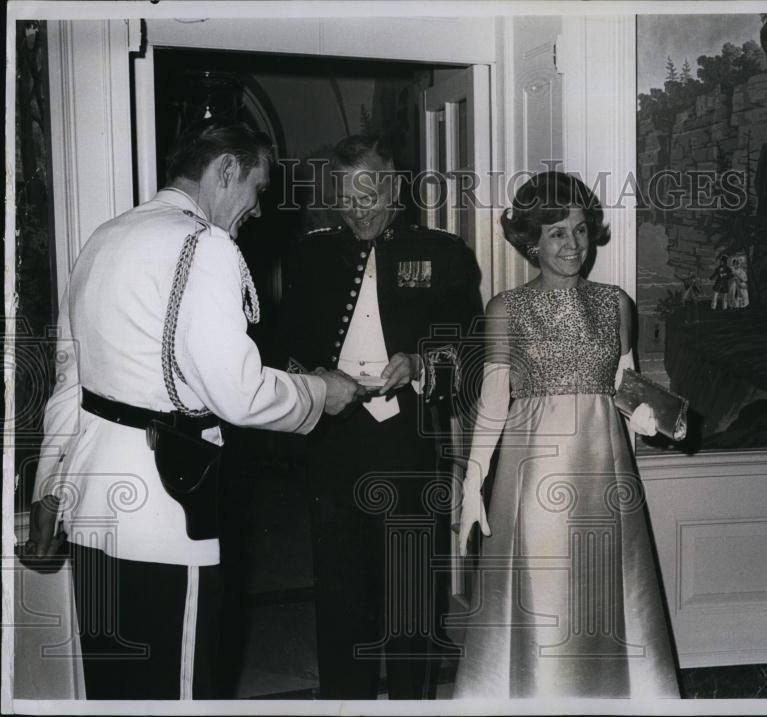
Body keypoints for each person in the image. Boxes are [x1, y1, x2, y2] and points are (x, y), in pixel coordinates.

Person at [21, 120, 366, 700]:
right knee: (177, 691)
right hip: (164, 508)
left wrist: (48, 486)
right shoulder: (205, 244)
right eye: (256, 190)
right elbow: (237, 392)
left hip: (90, 504)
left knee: (116, 688)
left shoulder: (106, 236)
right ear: (226, 169)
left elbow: (69, 382)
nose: (256, 211)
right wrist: (320, 393)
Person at [453, 171, 681, 699]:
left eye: (580, 230)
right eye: (557, 232)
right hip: (535, 474)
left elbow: (627, 387)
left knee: (604, 588)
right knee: (547, 592)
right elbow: (492, 402)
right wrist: (472, 486)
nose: (573, 244)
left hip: (605, 469)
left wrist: (647, 418)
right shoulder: (506, 309)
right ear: (530, 239)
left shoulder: (616, 302)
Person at [279, 134, 482, 699]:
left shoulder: (445, 255)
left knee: (412, 590)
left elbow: (471, 350)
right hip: (333, 442)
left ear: (394, 188)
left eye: (367, 195)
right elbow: (286, 349)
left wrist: (418, 363)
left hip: (409, 443)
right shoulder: (310, 255)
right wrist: (320, 380)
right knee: (342, 590)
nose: (356, 209)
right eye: (344, 198)